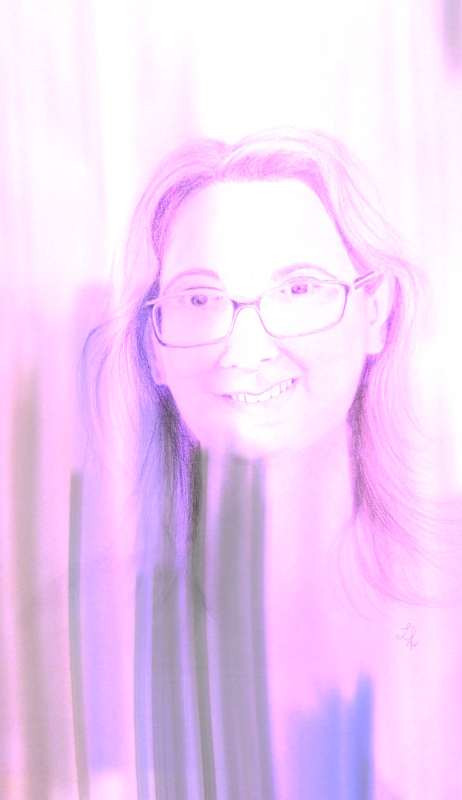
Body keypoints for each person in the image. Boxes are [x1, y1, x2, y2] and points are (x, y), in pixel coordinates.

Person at [83, 129, 438, 800]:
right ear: (155, 346)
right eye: (199, 299)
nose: (245, 349)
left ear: (376, 312)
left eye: (298, 289)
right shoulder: (81, 642)